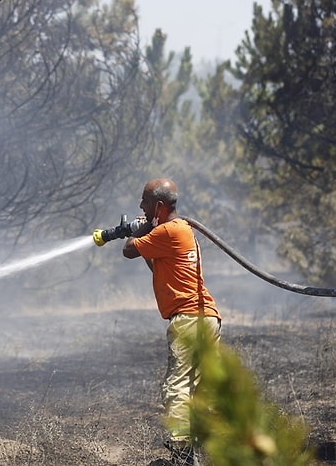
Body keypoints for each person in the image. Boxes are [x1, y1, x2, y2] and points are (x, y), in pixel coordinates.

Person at [122, 177, 222, 466]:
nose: (141, 205)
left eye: (145, 201)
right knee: (202, 390)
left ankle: (183, 456)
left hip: (189, 320)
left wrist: (138, 230)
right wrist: (146, 237)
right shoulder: (180, 230)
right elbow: (154, 263)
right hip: (206, 318)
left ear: (160, 205)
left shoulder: (166, 230)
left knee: (177, 388)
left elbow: (128, 250)